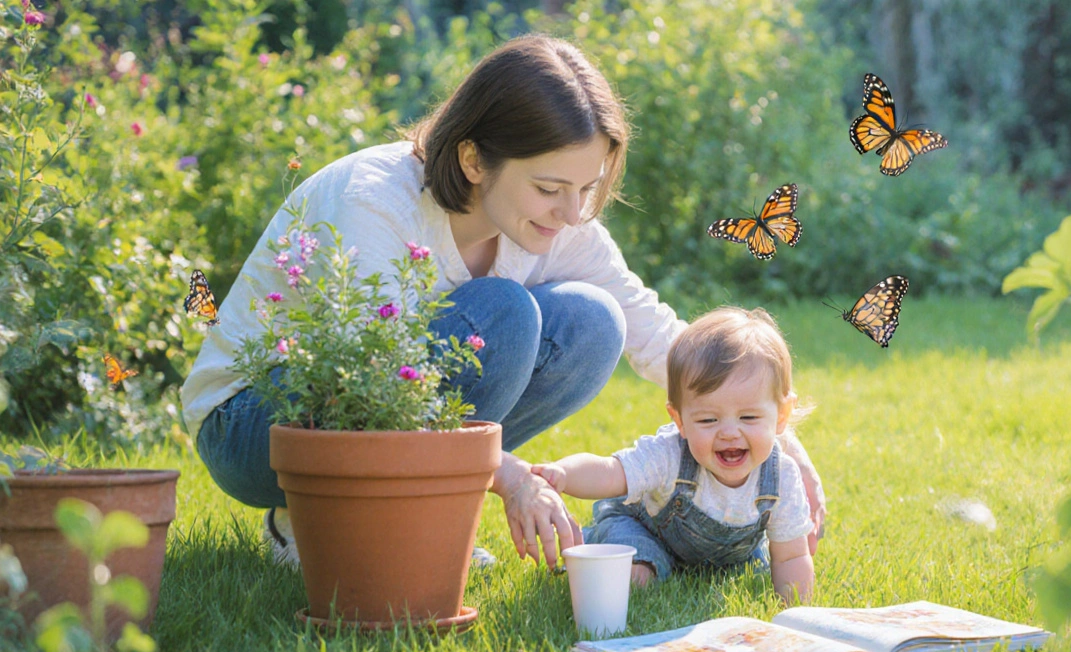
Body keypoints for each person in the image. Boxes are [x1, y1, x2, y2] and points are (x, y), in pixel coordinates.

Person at [180, 34, 826, 569]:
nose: (573, 212)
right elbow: (373, 390)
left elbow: (654, 332)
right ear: (473, 159)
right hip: (257, 427)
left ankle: (405, 517)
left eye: (588, 188)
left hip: (360, 424)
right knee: (504, 313)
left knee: (592, 320)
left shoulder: (555, 224)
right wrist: (511, 477)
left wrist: (781, 439)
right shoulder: (374, 202)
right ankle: (316, 522)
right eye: (550, 187)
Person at [531, 307, 814, 604]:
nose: (729, 433)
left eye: (749, 418)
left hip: (724, 557)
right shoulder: (669, 454)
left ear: (781, 415)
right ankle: (596, 546)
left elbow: (791, 555)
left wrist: (795, 611)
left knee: (758, 568)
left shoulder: (781, 476)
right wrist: (560, 474)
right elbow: (609, 472)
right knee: (635, 576)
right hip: (645, 531)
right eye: (708, 420)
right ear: (679, 420)